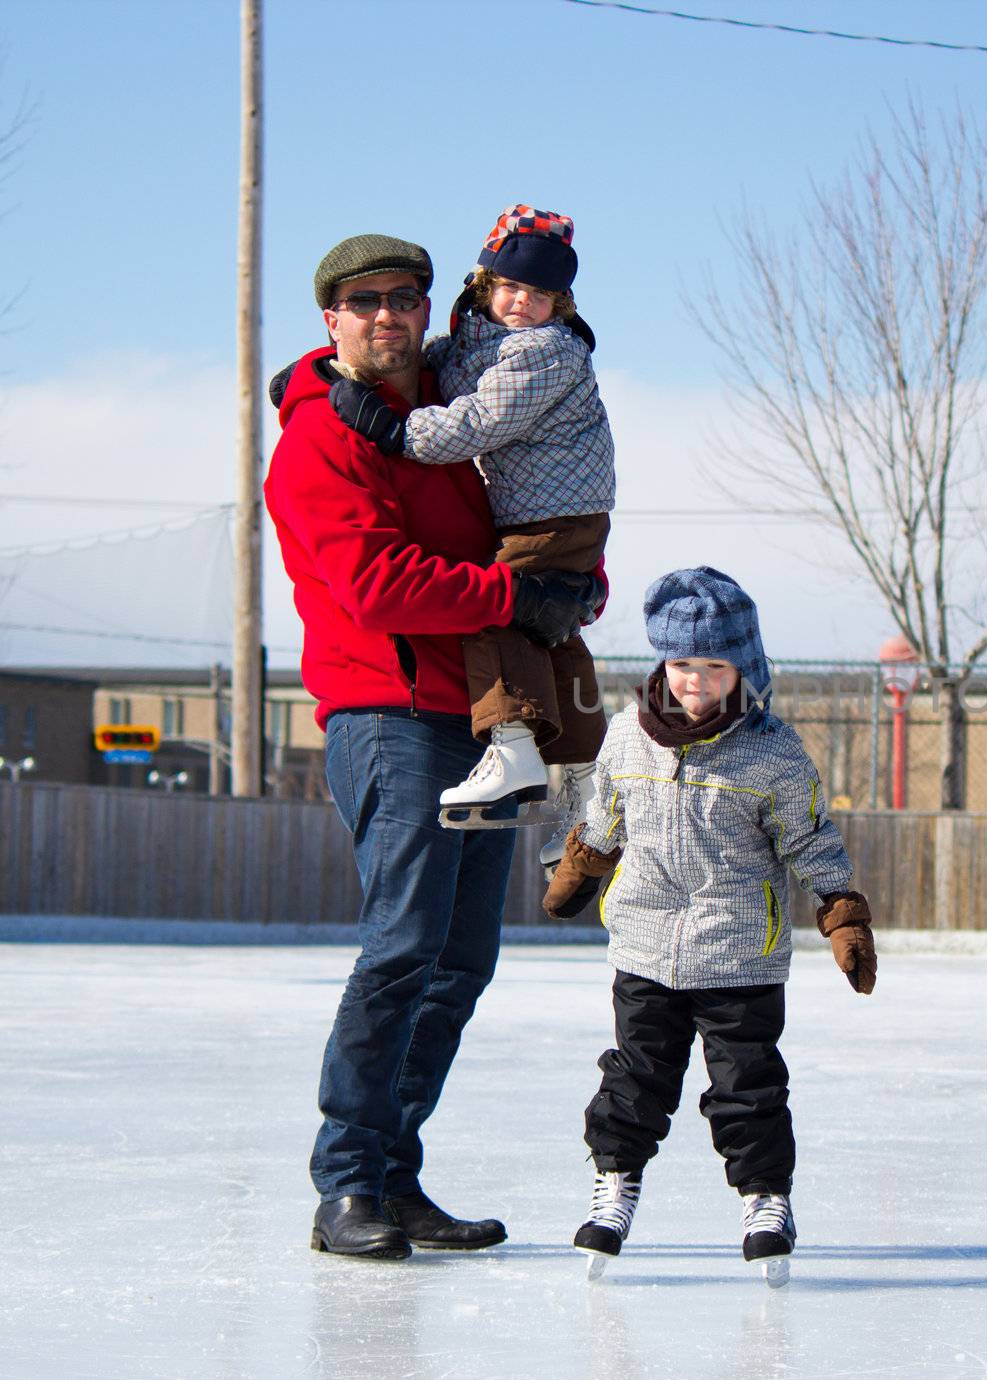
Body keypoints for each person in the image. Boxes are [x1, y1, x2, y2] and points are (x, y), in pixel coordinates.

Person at [264, 233, 603, 1261]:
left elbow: (533, 365)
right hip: (388, 716)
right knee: (405, 946)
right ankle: (347, 1185)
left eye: (403, 298)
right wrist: (516, 597)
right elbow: (379, 583)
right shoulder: (323, 437)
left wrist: (565, 586)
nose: (385, 316)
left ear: (429, 307)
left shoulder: (442, 416)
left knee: (459, 961)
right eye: (362, 301)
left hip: (478, 720)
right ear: (331, 319)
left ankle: (396, 1173)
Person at [540, 567, 878, 1285]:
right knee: (636, 1078)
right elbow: (605, 812)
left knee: (747, 1086)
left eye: (713, 665)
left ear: (744, 668)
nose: (695, 680)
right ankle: (615, 1186)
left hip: (738, 953)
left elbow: (811, 838)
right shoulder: (629, 736)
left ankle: (766, 1199)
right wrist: (581, 865)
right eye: (682, 663)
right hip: (645, 945)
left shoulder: (773, 752)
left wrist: (841, 911)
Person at [329, 205, 614, 841]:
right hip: (540, 509)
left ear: (560, 305)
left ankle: (512, 745)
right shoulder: (475, 339)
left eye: (540, 295)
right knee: (552, 633)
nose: (522, 304)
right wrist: (319, 371)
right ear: (485, 288)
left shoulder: (545, 354)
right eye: (511, 288)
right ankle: (591, 783)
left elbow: (477, 422)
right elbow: (426, 363)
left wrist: (393, 429)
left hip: (555, 510)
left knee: (497, 611)